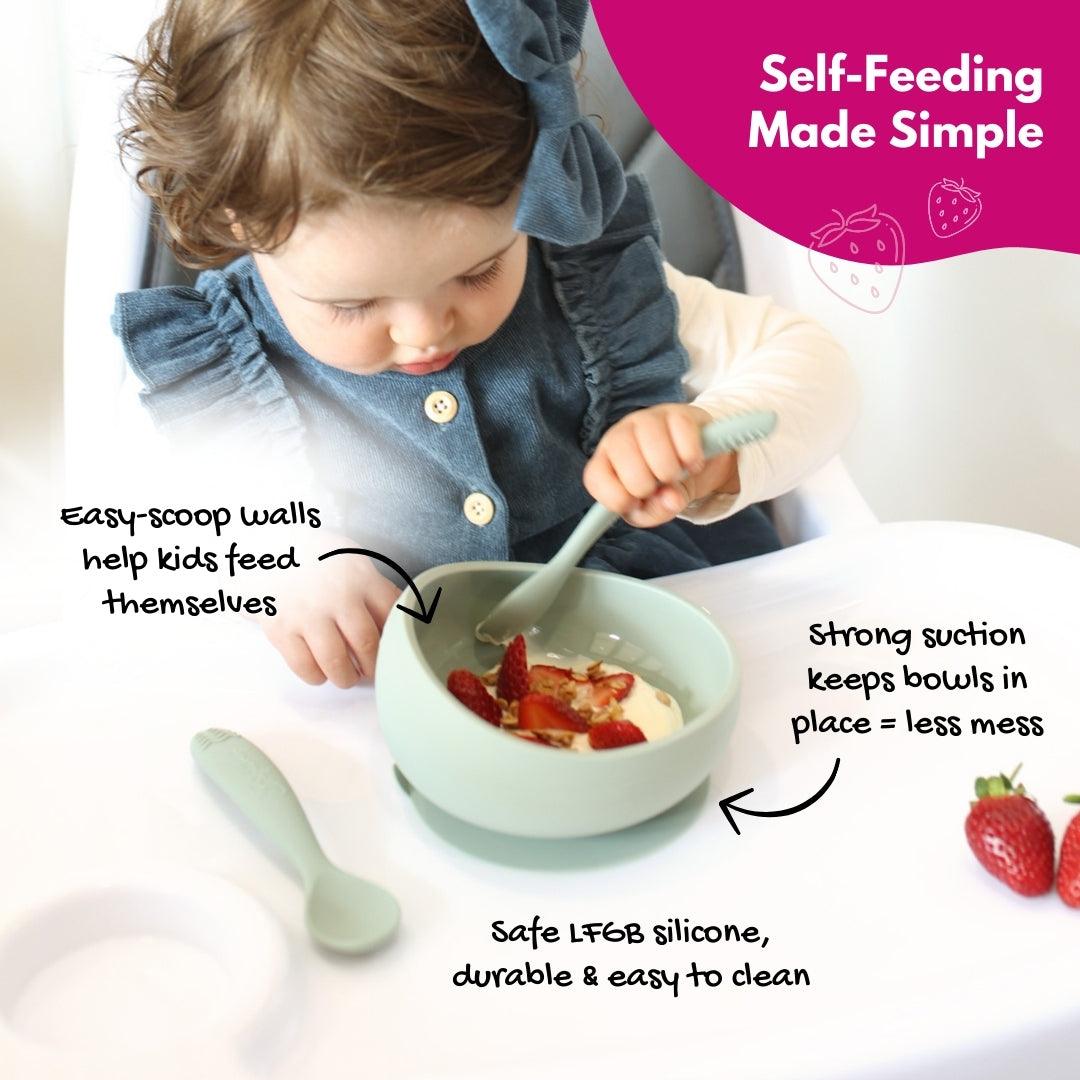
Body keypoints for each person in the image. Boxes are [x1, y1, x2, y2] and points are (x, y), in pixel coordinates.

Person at [112, 0, 859, 689]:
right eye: (354, 304)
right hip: (396, 693)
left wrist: (708, 445)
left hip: (665, 643)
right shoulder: (221, 366)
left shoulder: (590, 285)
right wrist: (288, 570)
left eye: (478, 271)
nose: (423, 331)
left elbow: (815, 369)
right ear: (240, 222)